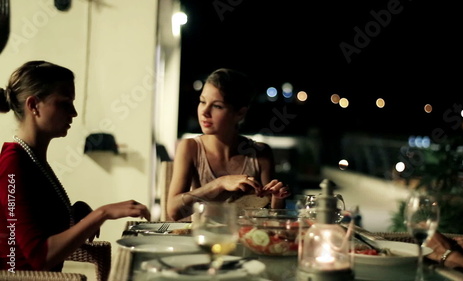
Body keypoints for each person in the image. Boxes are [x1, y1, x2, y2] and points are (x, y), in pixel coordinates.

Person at [0, 60, 151, 271]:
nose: (74, 112)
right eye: (64, 102)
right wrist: (102, 214)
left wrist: (76, 211)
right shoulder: (13, 164)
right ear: (34, 105)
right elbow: (40, 256)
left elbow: (39, 219)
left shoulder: (30, 156)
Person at [167, 68, 290, 221]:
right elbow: (173, 212)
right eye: (202, 101)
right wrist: (220, 184)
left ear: (240, 113)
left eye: (217, 106)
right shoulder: (190, 148)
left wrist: (277, 199)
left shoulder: (260, 154)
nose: (204, 111)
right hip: (204, 240)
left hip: (247, 240)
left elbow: (272, 219)